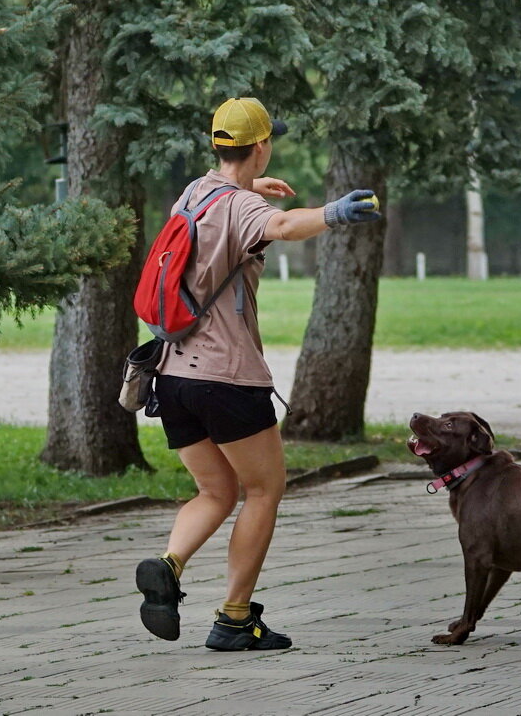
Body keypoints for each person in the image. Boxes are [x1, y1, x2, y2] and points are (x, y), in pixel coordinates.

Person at [135, 97, 379, 651]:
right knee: (265, 488)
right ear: (262, 145)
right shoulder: (242, 211)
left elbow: (234, 219)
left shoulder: (194, 193)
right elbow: (287, 225)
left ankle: (169, 566)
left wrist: (253, 191)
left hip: (171, 375)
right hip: (226, 378)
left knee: (214, 490)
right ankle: (235, 618)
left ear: (218, 145)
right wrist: (335, 212)